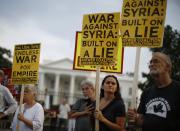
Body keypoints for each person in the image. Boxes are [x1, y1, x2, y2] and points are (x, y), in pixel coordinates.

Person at [128, 52, 180, 131]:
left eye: (156, 61)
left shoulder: (177, 89)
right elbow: (141, 122)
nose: (151, 64)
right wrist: (135, 119)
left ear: (168, 67)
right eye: (150, 62)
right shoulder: (146, 92)